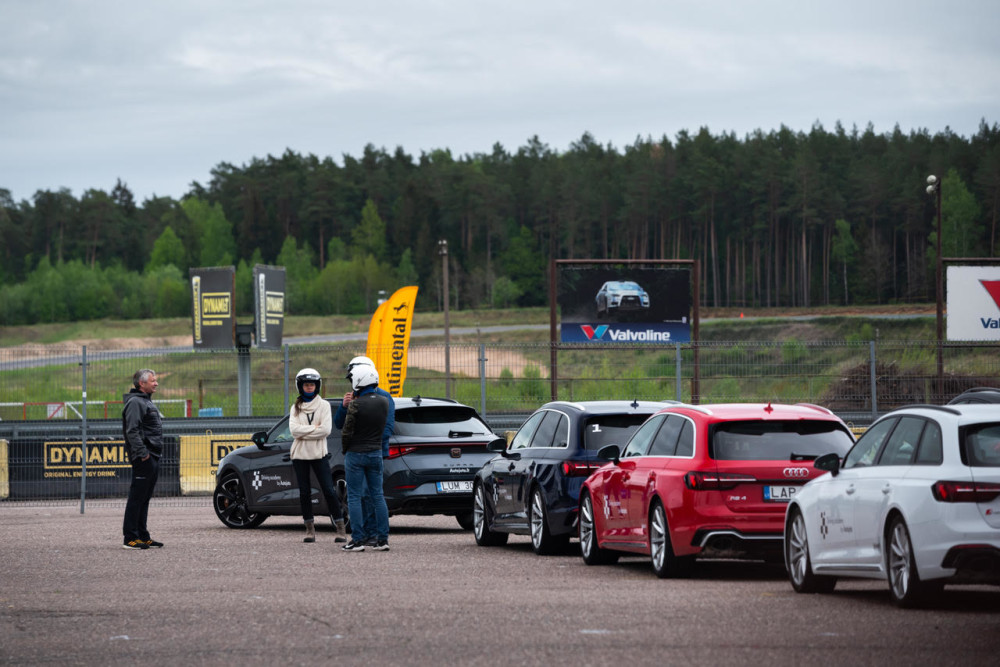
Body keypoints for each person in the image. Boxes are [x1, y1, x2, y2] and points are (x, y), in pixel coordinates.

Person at [334, 356, 395, 545]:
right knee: (366, 495)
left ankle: (369, 535)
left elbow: (388, 427)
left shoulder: (384, 397)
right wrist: (344, 407)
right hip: (373, 451)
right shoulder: (355, 397)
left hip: (371, 450)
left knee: (368, 495)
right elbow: (339, 423)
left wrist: (368, 442)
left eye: (352, 376)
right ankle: (374, 536)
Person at [289, 368, 347, 544]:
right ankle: (309, 530)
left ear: (317, 386)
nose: (309, 388)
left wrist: (304, 432)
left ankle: (340, 528)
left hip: (319, 454)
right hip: (299, 455)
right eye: (306, 385)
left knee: (329, 490)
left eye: (312, 385)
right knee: (304, 492)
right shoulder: (295, 407)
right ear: (300, 386)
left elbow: (326, 430)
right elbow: (293, 431)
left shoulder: (324, 406)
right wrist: (315, 429)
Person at [122, 369, 163, 550]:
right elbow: (132, 430)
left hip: (152, 455)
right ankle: (130, 538)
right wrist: (142, 453)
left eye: (156, 380)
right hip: (144, 457)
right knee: (136, 498)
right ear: (142, 384)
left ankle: (142, 535)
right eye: (152, 381)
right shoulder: (136, 402)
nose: (156, 383)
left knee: (144, 498)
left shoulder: (145, 402)